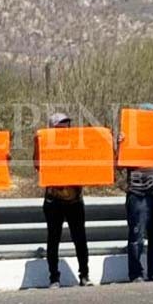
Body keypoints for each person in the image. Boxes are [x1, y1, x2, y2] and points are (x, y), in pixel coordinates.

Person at [33, 113, 92, 288]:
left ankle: (84, 275)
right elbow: (37, 165)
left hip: (75, 200)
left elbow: (89, 160)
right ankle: (54, 278)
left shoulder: (77, 144)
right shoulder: (45, 144)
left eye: (66, 126)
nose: (64, 129)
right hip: (54, 201)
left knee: (80, 239)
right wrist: (38, 143)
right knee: (53, 240)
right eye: (60, 126)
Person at [118, 103, 153, 283]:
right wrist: (121, 145)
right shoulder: (130, 138)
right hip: (138, 193)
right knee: (137, 235)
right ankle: (136, 273)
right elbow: (118, 165)